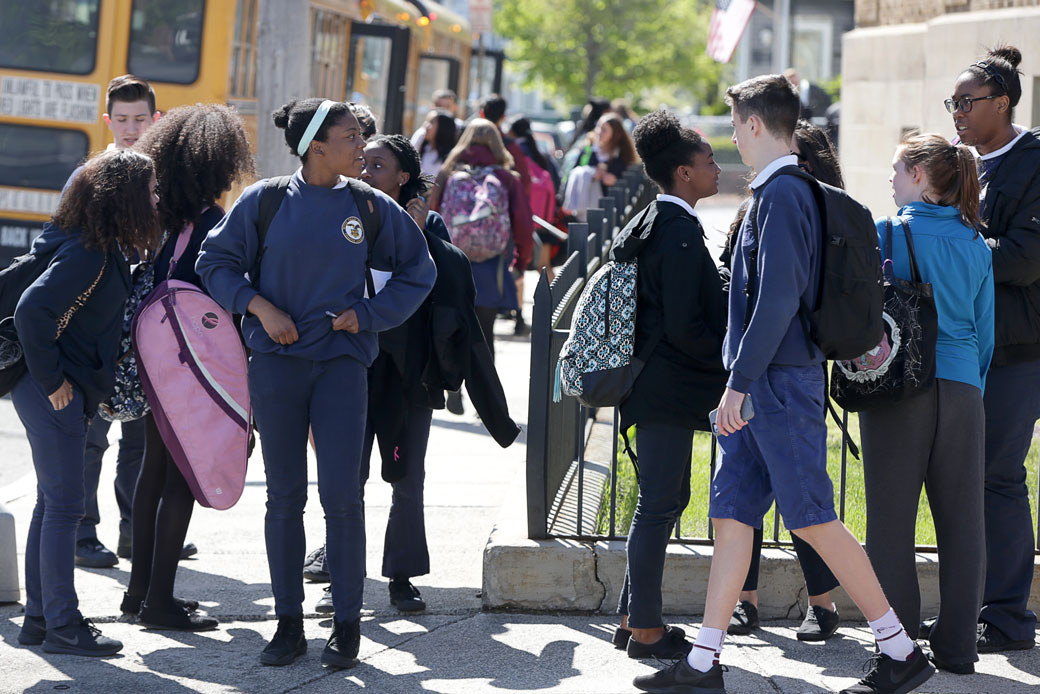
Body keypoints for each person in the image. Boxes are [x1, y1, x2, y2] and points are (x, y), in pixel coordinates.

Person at [634, 75, 934, 694]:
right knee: (732, 517)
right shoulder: (778, 193)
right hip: (763, 382)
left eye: (736, 125)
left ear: (751, 124)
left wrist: (738, 384)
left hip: (776, 383)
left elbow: (775, 299)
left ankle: (900, 650)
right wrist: (740, 383)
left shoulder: (784, 197)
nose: (733, 140)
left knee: (814, 518)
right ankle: (703, 662)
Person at [196, 98, 436, 670]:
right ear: (316, 146)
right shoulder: (266, 201)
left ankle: (347, 626)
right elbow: (215, 263)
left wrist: (369, 315)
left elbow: (418, 271)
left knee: (342, 499)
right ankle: (287, 624)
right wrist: (258, 307)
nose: (362, 145)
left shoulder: (371, 206)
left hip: (341, 369)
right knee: (284, 499)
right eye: (352, 136)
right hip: (275, 368)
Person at [14, 148, 161, 656]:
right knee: (66, 508)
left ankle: (39, 620)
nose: (156, 198)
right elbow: (33, 310)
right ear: (125, 198)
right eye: (150, 190)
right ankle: (63, 625)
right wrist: (53, 380)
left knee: (51, 504)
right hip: (48, 389)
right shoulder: (90, 252)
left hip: (48, 387)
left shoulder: (98, 245)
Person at [118, 104, 256, 631]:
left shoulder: (156, 215)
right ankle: (160, 603)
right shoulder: (211, 222)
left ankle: (138, 593)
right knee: (183, 473)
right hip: (192, 362)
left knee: (155, 468)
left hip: (152, 358)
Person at [860, 133, 993, 675]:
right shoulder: (978, 243)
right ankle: (960, 648)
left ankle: (900, 647)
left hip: (900, 390)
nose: (891, 179)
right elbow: (985, 334)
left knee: (890, 523)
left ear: (918, 175)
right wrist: (969, 385)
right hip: (963, 389)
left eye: (896, 170)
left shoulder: (888, 232)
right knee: (964, 522)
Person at [610, 109, 728, 660]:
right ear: (683, 172)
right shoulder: (678, 232)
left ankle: (636, 619)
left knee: (667, 497)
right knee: (659, 503)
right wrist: (729, 358)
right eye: (708, 161)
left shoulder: (657, 219)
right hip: (665, 388)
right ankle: (648, 632)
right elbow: (685, 326)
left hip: (656, 386)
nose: (716, 169)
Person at [938, 44, 1039, 654]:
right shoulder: (960, 161)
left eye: (966, 101)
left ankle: (1007, 617)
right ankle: (968, 611)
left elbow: (1026, 259)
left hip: (1016, 349)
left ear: (1002, 102)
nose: (956, 112)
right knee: (962, 479)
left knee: (998, 477)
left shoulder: (1033, 162)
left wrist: (951, 250)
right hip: (960, 344)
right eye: (952, 102)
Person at [729, 121, 843, 643]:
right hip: (756, 372)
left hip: (785, 371)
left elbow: (778, 299)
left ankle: (831, 606)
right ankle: (740, 603)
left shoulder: (796, 203)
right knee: (742, 498)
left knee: (802, 500)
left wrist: (742, 375)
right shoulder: (761, 205)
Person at [72, 75, 166, 569]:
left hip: (146, 332)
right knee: (91, 439)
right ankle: (83, 533)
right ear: (109, 122)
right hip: (97, 329)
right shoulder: (91, 176)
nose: (131, 128)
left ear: (156, 118)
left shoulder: (161, 181)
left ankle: (135, 531)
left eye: (140, 119)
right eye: (122, 120)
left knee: (141, 441)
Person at [429, 119, 533, 359]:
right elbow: (524, 227)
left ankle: (453, 393)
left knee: (450, 330)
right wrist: (520, 263)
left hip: (451, 263)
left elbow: (433, 215)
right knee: (485, 334)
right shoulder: (506, 178)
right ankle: (486, 392)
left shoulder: (448, 173)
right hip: (491, 265)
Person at [563, 113, 638, 219]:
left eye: (604, 129)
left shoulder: (622, 154)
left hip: (611, 212)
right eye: (598, 127)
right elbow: (575, 170)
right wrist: (592, 174)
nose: (598, 131)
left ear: (615, 133)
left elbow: (631, 182)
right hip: (585, 207)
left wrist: (614, 181)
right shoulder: (588, 149)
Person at [410, 109, 457, 178]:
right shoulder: (422, 148)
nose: (425, 126)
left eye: (431, 122)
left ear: (443, 128)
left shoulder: (450, 158)